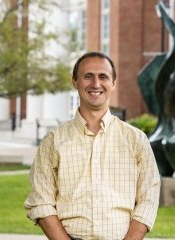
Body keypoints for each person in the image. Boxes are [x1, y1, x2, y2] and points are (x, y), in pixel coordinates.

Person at [24, 51, 161, 240]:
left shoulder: (136, 139)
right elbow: (41, 201)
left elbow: (149, 199)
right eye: (88, 76)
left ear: (113, 83)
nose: (96, 84)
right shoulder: (53, 141)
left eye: (103, 77)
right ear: (75, 82)